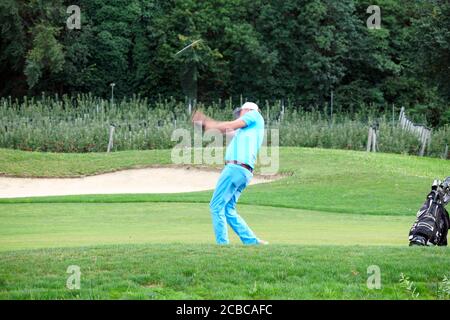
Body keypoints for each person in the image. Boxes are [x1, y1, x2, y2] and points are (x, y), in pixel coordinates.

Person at [191, 102, 268, 245]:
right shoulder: (246, 131)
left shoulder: (254, 115)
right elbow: (226, 131)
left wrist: (208, 122)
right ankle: (251, 241)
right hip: (243, 171)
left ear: (248, 110)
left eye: (241, 111)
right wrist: (206, 124)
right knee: (228, 209)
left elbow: (230, 125)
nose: (239, 114)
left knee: (216, 206)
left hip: (235, 168)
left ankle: (222, 245)